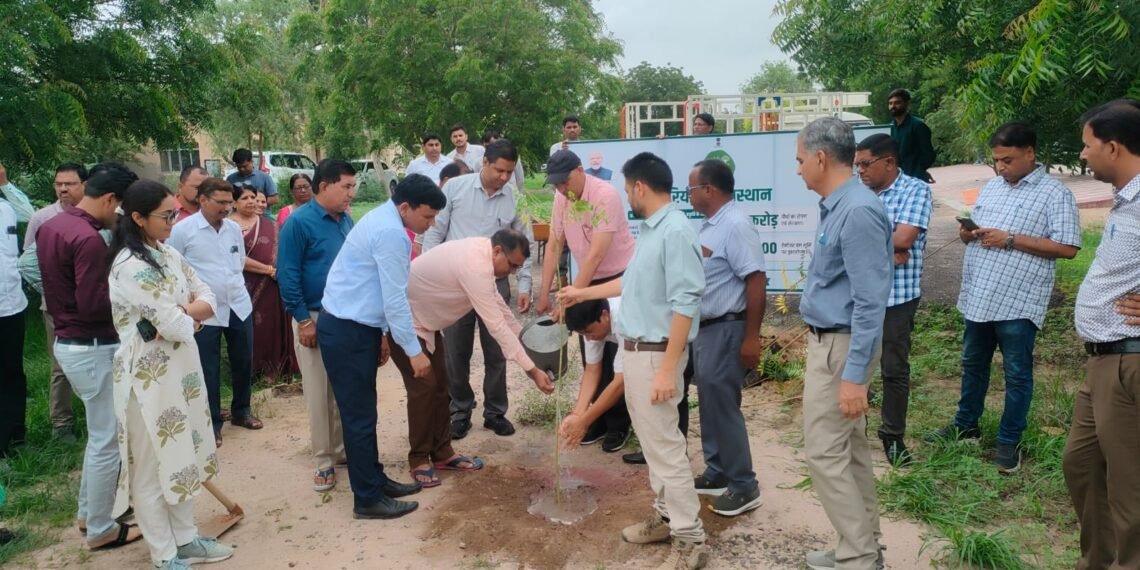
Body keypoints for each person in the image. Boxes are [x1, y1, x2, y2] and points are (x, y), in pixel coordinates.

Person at [557, 152, 708, 570]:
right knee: (656, 447)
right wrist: (581, 293)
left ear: (640, 187)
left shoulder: (675, 231)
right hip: (640, 352)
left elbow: (685, 303)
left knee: (666, 449)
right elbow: (632, 281)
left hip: (658, 352)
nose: (626, 197)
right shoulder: (652, 230)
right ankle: (666, 517)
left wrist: (665, 369)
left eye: (627, 190)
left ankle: (690, 540)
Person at [927, 122, 1080, 474]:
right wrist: (969, 233)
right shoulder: (993, 187)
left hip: (1019, 299)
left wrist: (1010, 238)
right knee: (972, 364)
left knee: (1016, 374)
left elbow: (1068, 248)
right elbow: (978, 233)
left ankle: (1009, 442)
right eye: (997, 160)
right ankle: (966, 426)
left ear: (1030, 153)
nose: (1001, 168)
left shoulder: (1055, 195)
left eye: (1008, 160)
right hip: (980, 293)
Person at [107, 179, 235, 570]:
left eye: (175, 212)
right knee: (150, 467)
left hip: (181, 369)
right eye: (166, 215)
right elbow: (175, 322)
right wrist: (187, 316)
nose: (173, 221)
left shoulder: (166, 253)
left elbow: (208, 295)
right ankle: (163, 554)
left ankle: (186, 539)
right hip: (148, 378)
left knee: (185, 456)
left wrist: (186, 314)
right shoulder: (129, 266)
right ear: (138, 218)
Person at [792, 117, 891, 570]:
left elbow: (871, 302)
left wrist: (854, 377)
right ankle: (862, 545)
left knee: (824, 453)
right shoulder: (839, 205)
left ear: (819, 157)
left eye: (798, 160)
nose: (797, 170)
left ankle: (858, 557)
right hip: (831, 344)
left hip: (840, 348)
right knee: (848, 453)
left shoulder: (857, 210)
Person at [37, 162, 143, 549]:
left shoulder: (55, 225)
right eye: (122, 207)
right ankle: (101, 529)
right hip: (93, 346)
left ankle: (88, 514)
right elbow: (94, 303)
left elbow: (36, 270)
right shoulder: (87, 238)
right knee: (107, 440)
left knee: (99, 435)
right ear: (112, 199)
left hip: (67, 341)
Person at [403, 230, 556, 487]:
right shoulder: (474, 265)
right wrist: (532, 371)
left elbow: (501, 309)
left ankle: (442, 453)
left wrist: (528, 343)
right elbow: (495, 325)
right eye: (512, 265)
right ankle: (418, 459)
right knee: (424, 390)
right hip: (406, 321)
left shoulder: (484, 257)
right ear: (497, 251)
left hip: (427, 323)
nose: (513, 272)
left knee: (441, 388)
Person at [315, 167, 426, 520]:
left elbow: (375, 289)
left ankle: (375, 480)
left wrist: (378, 333)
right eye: (428, 215)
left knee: (364, 412)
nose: (431, 222)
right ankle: (367, 499)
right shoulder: (392, 232)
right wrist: (414, 351)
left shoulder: (384, 218)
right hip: (347, 330)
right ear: (407, 207)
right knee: (359, 417)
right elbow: (394, 299)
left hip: (356, 326)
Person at [1061, 99, 1140, 570]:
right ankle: (1098, 562)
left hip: (1129, 362)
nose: (1083, 155)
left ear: (1113, 146)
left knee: (1130, 488)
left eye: (1088, 146)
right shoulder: (1127, 202)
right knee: (1082, 465)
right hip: (1101, 362)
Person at [422, 139, 532, 439]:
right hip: (456, 287)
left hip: (495, 284)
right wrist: (427, 279)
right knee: (456, 351)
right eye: (499, 170)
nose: (504, 177)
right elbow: (434, 234)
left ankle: (495, 412)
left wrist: (523, 285)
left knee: (497, 348)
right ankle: (460, 410)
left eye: (510, 172)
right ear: (484, 162)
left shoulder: (514, 197)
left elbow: (526, 241)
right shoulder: (454, 189)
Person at [535, 149, 635, 452]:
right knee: (593, 350)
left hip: (618, 279)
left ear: (580, 171)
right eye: (556, 186)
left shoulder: (605, 195)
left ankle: (619, 425)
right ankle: (594, 420)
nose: (562, 190)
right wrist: (545, 293)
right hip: (586, 281)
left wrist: (572, 297)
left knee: (620, 357)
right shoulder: (561, 199)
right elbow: (554, 243)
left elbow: (596, 255)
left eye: (565, 183)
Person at [684, 159, 766, 517]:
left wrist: (752, 337)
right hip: (706, 330)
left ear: (709, 190)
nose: (688, 194)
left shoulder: (735, 224)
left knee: (725, 408)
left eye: (691, 188)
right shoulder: (710, 226)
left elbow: (756, 279)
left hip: (728, 327)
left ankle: (744, 485)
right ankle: (718, 471)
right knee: (711, 403)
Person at [853, 134, 933, 466]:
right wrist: (888, 247)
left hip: (896, 297)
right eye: (856, 165)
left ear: (889, 162)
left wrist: (887, 243)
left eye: (865, 164)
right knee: (854, 365)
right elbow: (846, 238)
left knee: (893, 369)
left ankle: (893, 436)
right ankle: (853, 432)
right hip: (857, 295)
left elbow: (905, 238)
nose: (860, 172)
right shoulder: (855, 194)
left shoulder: (915, 190)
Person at [277, 160, 355, 492]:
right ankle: (322, 460)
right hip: (314, 315)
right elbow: (288, 275)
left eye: (354, 186)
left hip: (345, 317)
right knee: (318, 392)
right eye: (346, 187)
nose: (352, 193)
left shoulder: (345, 220)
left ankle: (340, 451)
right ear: (324, 187)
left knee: (341, 388)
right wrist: (303, 320)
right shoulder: (299, 224)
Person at [168, 177, 261, 447]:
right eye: (220, 202)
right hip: (204, 310)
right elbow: (175, 271)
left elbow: (237, 261)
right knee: (208, 367)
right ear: (203, 200)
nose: (226, 208)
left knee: (243, 360)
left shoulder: (232, 229)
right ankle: (212, 423)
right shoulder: (183, 231)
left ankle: (242, 410)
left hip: (237, 304)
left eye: (229, 202)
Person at [19, 163, 89, 442]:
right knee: (60, 364)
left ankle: (101, 415)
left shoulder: (93, 216)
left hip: (95, 305)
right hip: (56, 308)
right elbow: (28, 262)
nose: (63, 189)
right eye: (59, 184)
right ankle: (62, 423)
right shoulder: (42, 218)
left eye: (69, 184)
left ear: (84, 184)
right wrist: (53, 291)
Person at [230, 187, 296, 380]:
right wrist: (268, 270)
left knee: (273, 323)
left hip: (273, 285)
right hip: (245, 285)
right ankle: (256, 370)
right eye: (245, 198)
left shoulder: (270, 224)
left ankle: (279, 367)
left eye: (254, 197)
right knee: (254, 327)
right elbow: (235, 258)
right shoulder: (227, 226)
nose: (251, 201)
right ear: (234, 202)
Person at [0, 198, 27, 459]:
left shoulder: (6, 207)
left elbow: (30, 214)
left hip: (12, 306)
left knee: (12, 373)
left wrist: (6, 186)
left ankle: (15, 436)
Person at [887, 89, 936, 183]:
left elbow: (929, 154)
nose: (893, 106)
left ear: (907, 103)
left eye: (897, 103)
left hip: (915, 179)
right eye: (890, 103)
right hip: (896, 179)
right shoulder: (891, 127)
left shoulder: (918, 126)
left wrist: (918, 171)